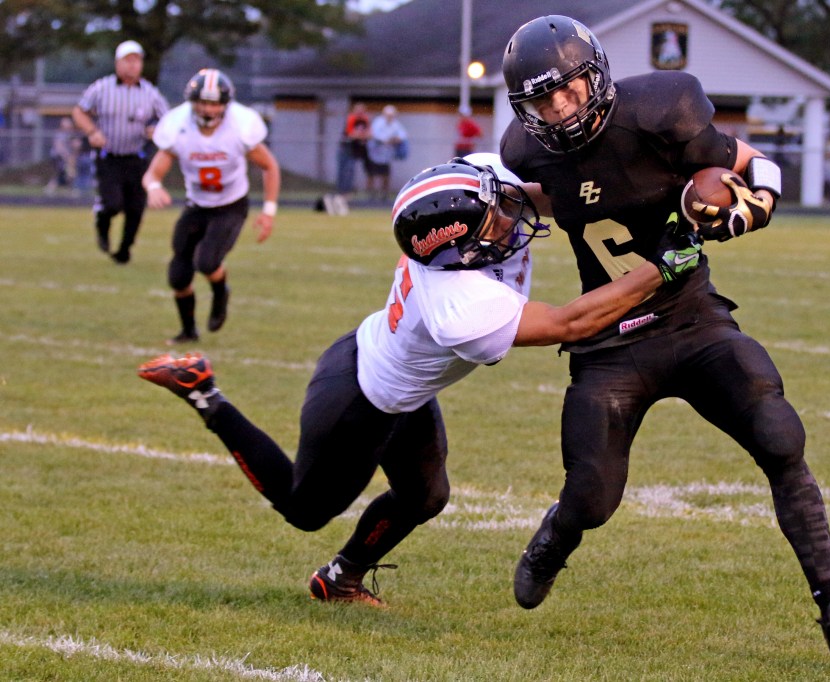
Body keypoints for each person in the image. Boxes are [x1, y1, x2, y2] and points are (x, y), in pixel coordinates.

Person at [499, 15, 830, 665]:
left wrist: (751, 205)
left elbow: (753, 164)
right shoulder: (526, 151)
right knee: (592, 499)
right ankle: (555, 537)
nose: (561, 108)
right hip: (608, 348)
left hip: (692, 320)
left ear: (596, 75)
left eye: (570, 90)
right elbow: (559, 197)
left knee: (778, 433)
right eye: (544, 99)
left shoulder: (661, 110)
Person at [136, 154, 704, 606]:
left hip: (397, 382)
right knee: (305, 510)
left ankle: (340, 578)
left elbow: (541, 188)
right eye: (494, 221)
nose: (510, 216)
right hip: (359, 401)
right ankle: (204, 391)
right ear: (457, 251)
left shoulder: (470, 186)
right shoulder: (458, 307)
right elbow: (570, 322)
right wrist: (663, 266)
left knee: (426, 495)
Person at [141, 69, 281, 345]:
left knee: (206, 262)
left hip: (230, 205)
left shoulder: (240, 126)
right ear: (192, 102)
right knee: (178, 276)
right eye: (203, 102)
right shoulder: (178, 126)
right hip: (197, 204)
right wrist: (153, 187)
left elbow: (269, 165)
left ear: (226, 104)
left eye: (215, 102)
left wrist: (268, 211)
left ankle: (220, 292)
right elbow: (153, 173)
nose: (208, 108)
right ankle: (189, 331)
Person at [72, 40, 169, 263]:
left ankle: (125, 249)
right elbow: (79, 111)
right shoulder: (102, 87)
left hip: (136, 157)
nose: (132, 66)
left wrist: (156, 130)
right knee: (113, 203)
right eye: (128, 60)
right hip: (108, 156)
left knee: (135, 208)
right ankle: (102, 222)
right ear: (117, 63)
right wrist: (92, 131)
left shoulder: (150, 93)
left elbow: (168, 120)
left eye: (137, 61)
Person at [366, 104, 408, 204]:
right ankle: (370, 195)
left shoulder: (395, 124)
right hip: (374, 154)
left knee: (385, 175)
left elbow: (403, 135)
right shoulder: (378, 122)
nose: (390, 117)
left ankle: (384, 195)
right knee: (372, 174)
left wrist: (395, 139)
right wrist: (389, 140)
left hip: (386, 155)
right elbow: (376, 135)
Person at [334, 102, 371, 213]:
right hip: (345, 148)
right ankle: (340, 193)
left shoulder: (365, 119)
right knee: (343, 171)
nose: (360, 112)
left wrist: (360, 135)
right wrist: (360, 135)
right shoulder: (351, 118)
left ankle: (346, 194)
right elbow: (351, 134)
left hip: (354, 150)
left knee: (350, 171)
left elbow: (369, 134)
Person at [45, 117, 76, 196]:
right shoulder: (60, 134)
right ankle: (50, 188)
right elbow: (59, 147)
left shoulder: (70, 135)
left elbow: (73, 146)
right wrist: (66, 156)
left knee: (69, 174)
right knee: (61, 173)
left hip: (65, 158)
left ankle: (69, 190)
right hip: (59, 158)